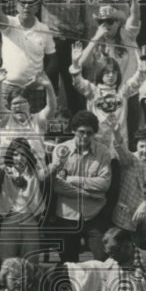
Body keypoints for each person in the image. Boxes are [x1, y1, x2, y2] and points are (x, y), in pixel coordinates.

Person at [50, 111, 112, 263]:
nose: (84, 136)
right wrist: (91, 194)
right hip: (67, 216)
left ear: (94, 133)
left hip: (94, 216)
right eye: (81, 132)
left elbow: (104, 183)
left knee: (103, 258)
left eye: (89, 133)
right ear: (73, 131)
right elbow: (58, 186)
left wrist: (73, 179)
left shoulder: (103, 152)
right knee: (69, 263)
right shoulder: (61, 150)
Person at [109, 125, 146, 252]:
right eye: (142, 146)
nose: (145, 150)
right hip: (127, 217)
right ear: (136, 146)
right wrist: (116, 132)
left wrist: (145, 204)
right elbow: (120, 148)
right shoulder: (130, 160)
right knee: (127, 254)